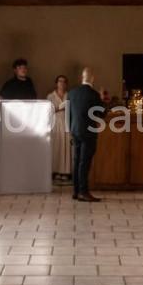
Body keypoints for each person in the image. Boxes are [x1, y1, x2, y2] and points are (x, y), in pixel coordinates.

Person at [67, 67, 107, 202]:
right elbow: (101, 114)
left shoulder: (71, 93)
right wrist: (102, 99)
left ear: (82, 78)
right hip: (88, 133)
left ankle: (76, 191)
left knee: (77, 161)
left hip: (75, 130)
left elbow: (68, 114)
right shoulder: (94, 94)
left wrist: (70, 131)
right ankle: (84, 192)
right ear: (92, 78)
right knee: (84, 163)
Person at [47, 75, 72, 183]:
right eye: (59, 81)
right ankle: (55, 171)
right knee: (56, 147)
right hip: (55, 124)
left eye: (64, 81)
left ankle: (65, 172)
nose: (62, 83)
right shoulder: (50, 96)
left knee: (66, 148)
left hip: (67, 123)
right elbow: (48, 110)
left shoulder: (69, 95)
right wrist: (60, 107)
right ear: (56, 83)